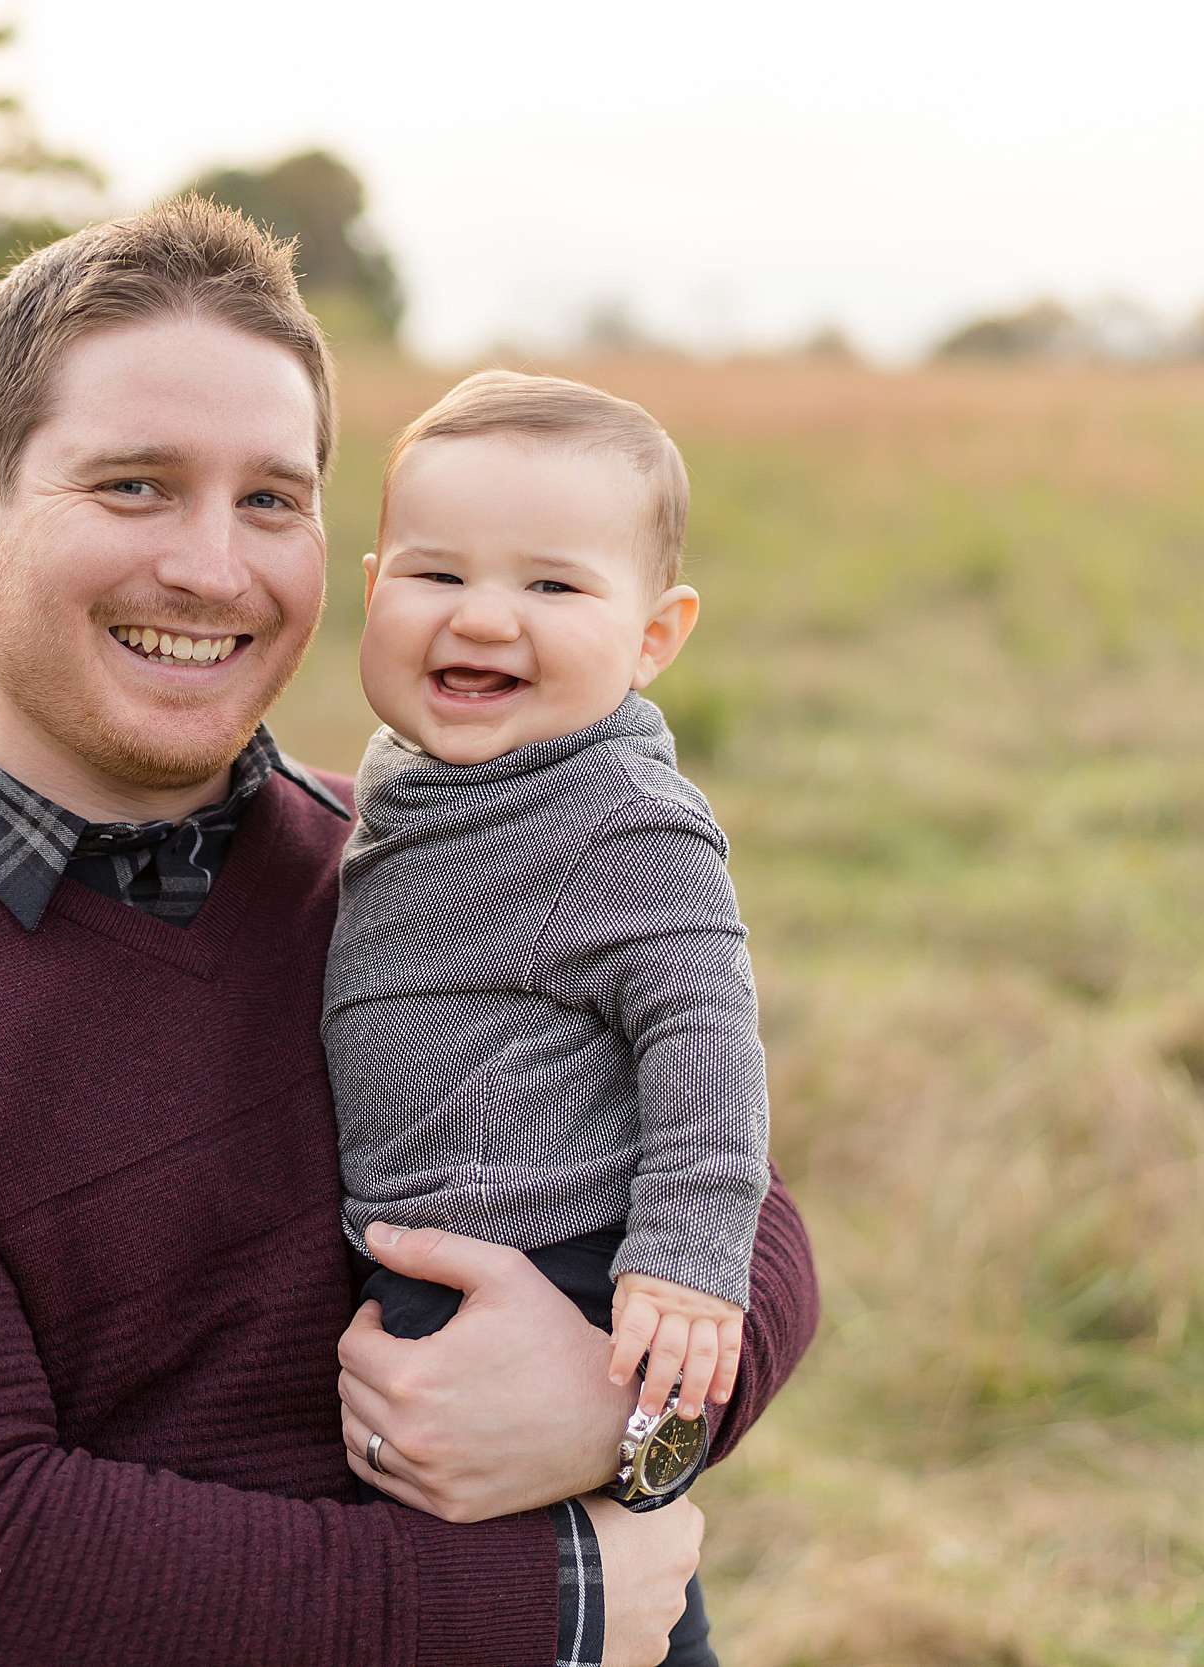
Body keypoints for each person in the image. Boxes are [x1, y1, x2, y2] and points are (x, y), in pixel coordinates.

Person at [0, 199, 818, 1666]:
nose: (214, 571)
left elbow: (738, 1195)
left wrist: (628, 1414)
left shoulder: (421, 853)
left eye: (271, 500)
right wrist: (555, 1600)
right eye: (138, 486)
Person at [330, 372, 771, 1666]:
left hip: (563, 1260)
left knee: (573, 1604)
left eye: (552, 587)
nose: (483, 618)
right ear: (372, 591)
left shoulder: (620, 815)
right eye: (434, 575)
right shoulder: (407, 768)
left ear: (655, 636)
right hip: (440, 1254)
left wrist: (688, 1255)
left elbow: (704, 1033)